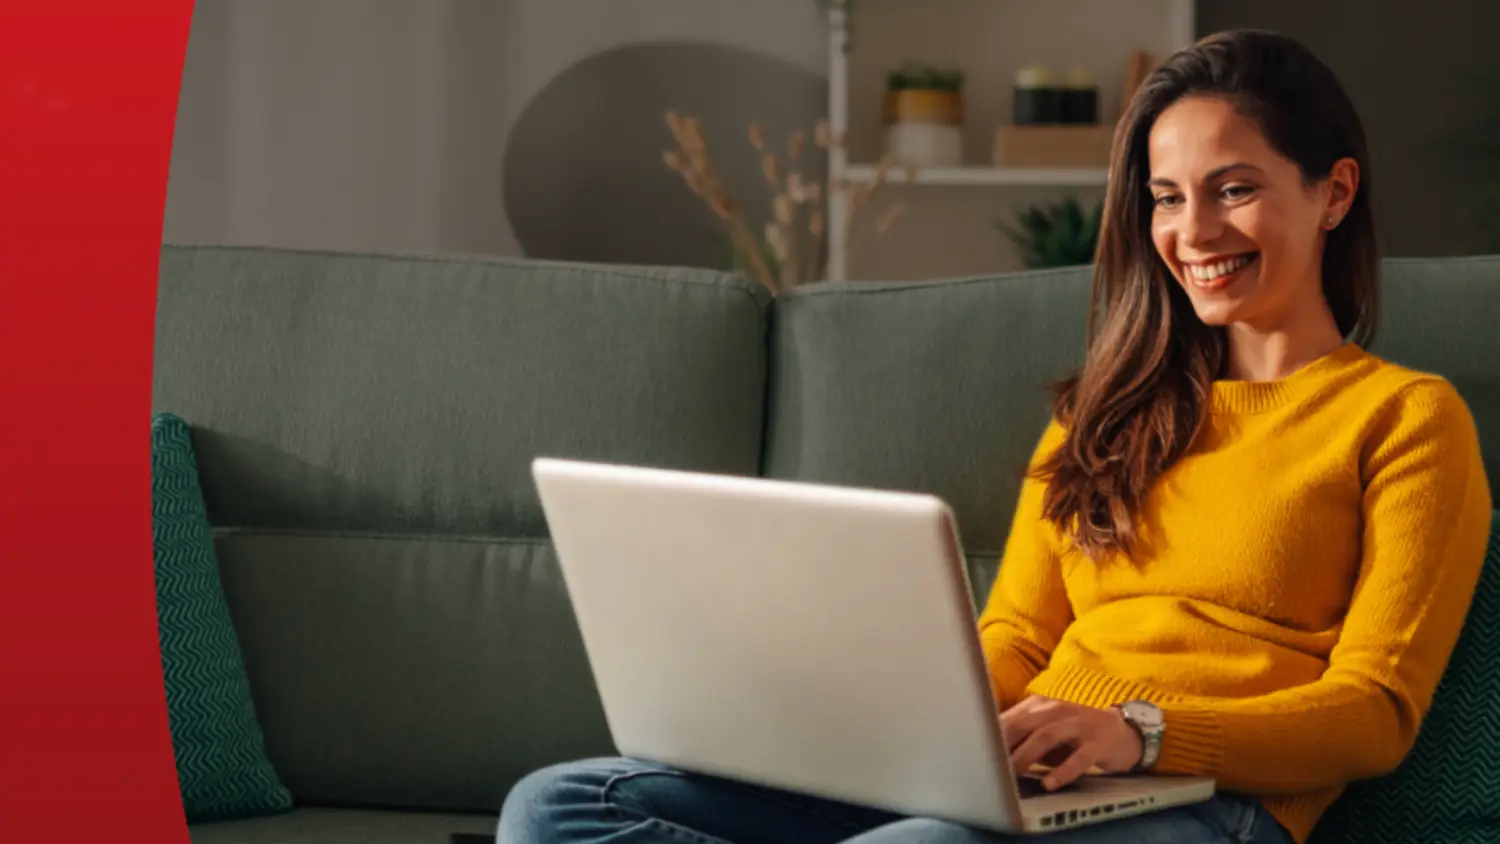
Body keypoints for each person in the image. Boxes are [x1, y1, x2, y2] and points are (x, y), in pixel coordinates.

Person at [495, 29, 1493, 844]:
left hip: (1212, 802)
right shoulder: (1102, 410)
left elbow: (1374, 715)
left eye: (1234, 189)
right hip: (1022, 775)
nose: (1193, 233)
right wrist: (901, 731)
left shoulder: (1406, 419)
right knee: (561, 805)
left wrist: (1136, 734)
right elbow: (1016, 635)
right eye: (1166, 197)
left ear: (1335, 191)